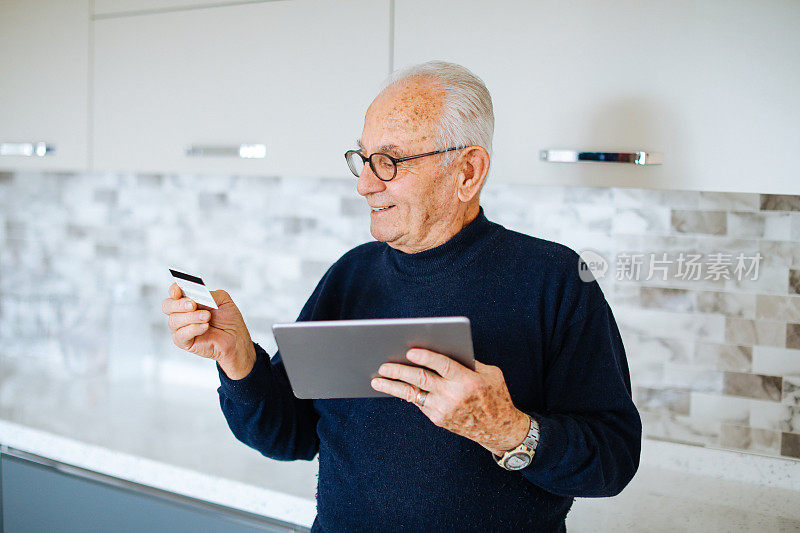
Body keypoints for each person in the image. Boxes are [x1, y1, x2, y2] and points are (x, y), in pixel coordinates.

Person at [162, 61, 641, 532]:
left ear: (468, 171)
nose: (365, 184)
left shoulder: (553, 280)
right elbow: (290, 434)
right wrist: (238, 359)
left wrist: (507, 430)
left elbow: (614, 460)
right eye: (363, 159)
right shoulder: (351, 276)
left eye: (389, 162)